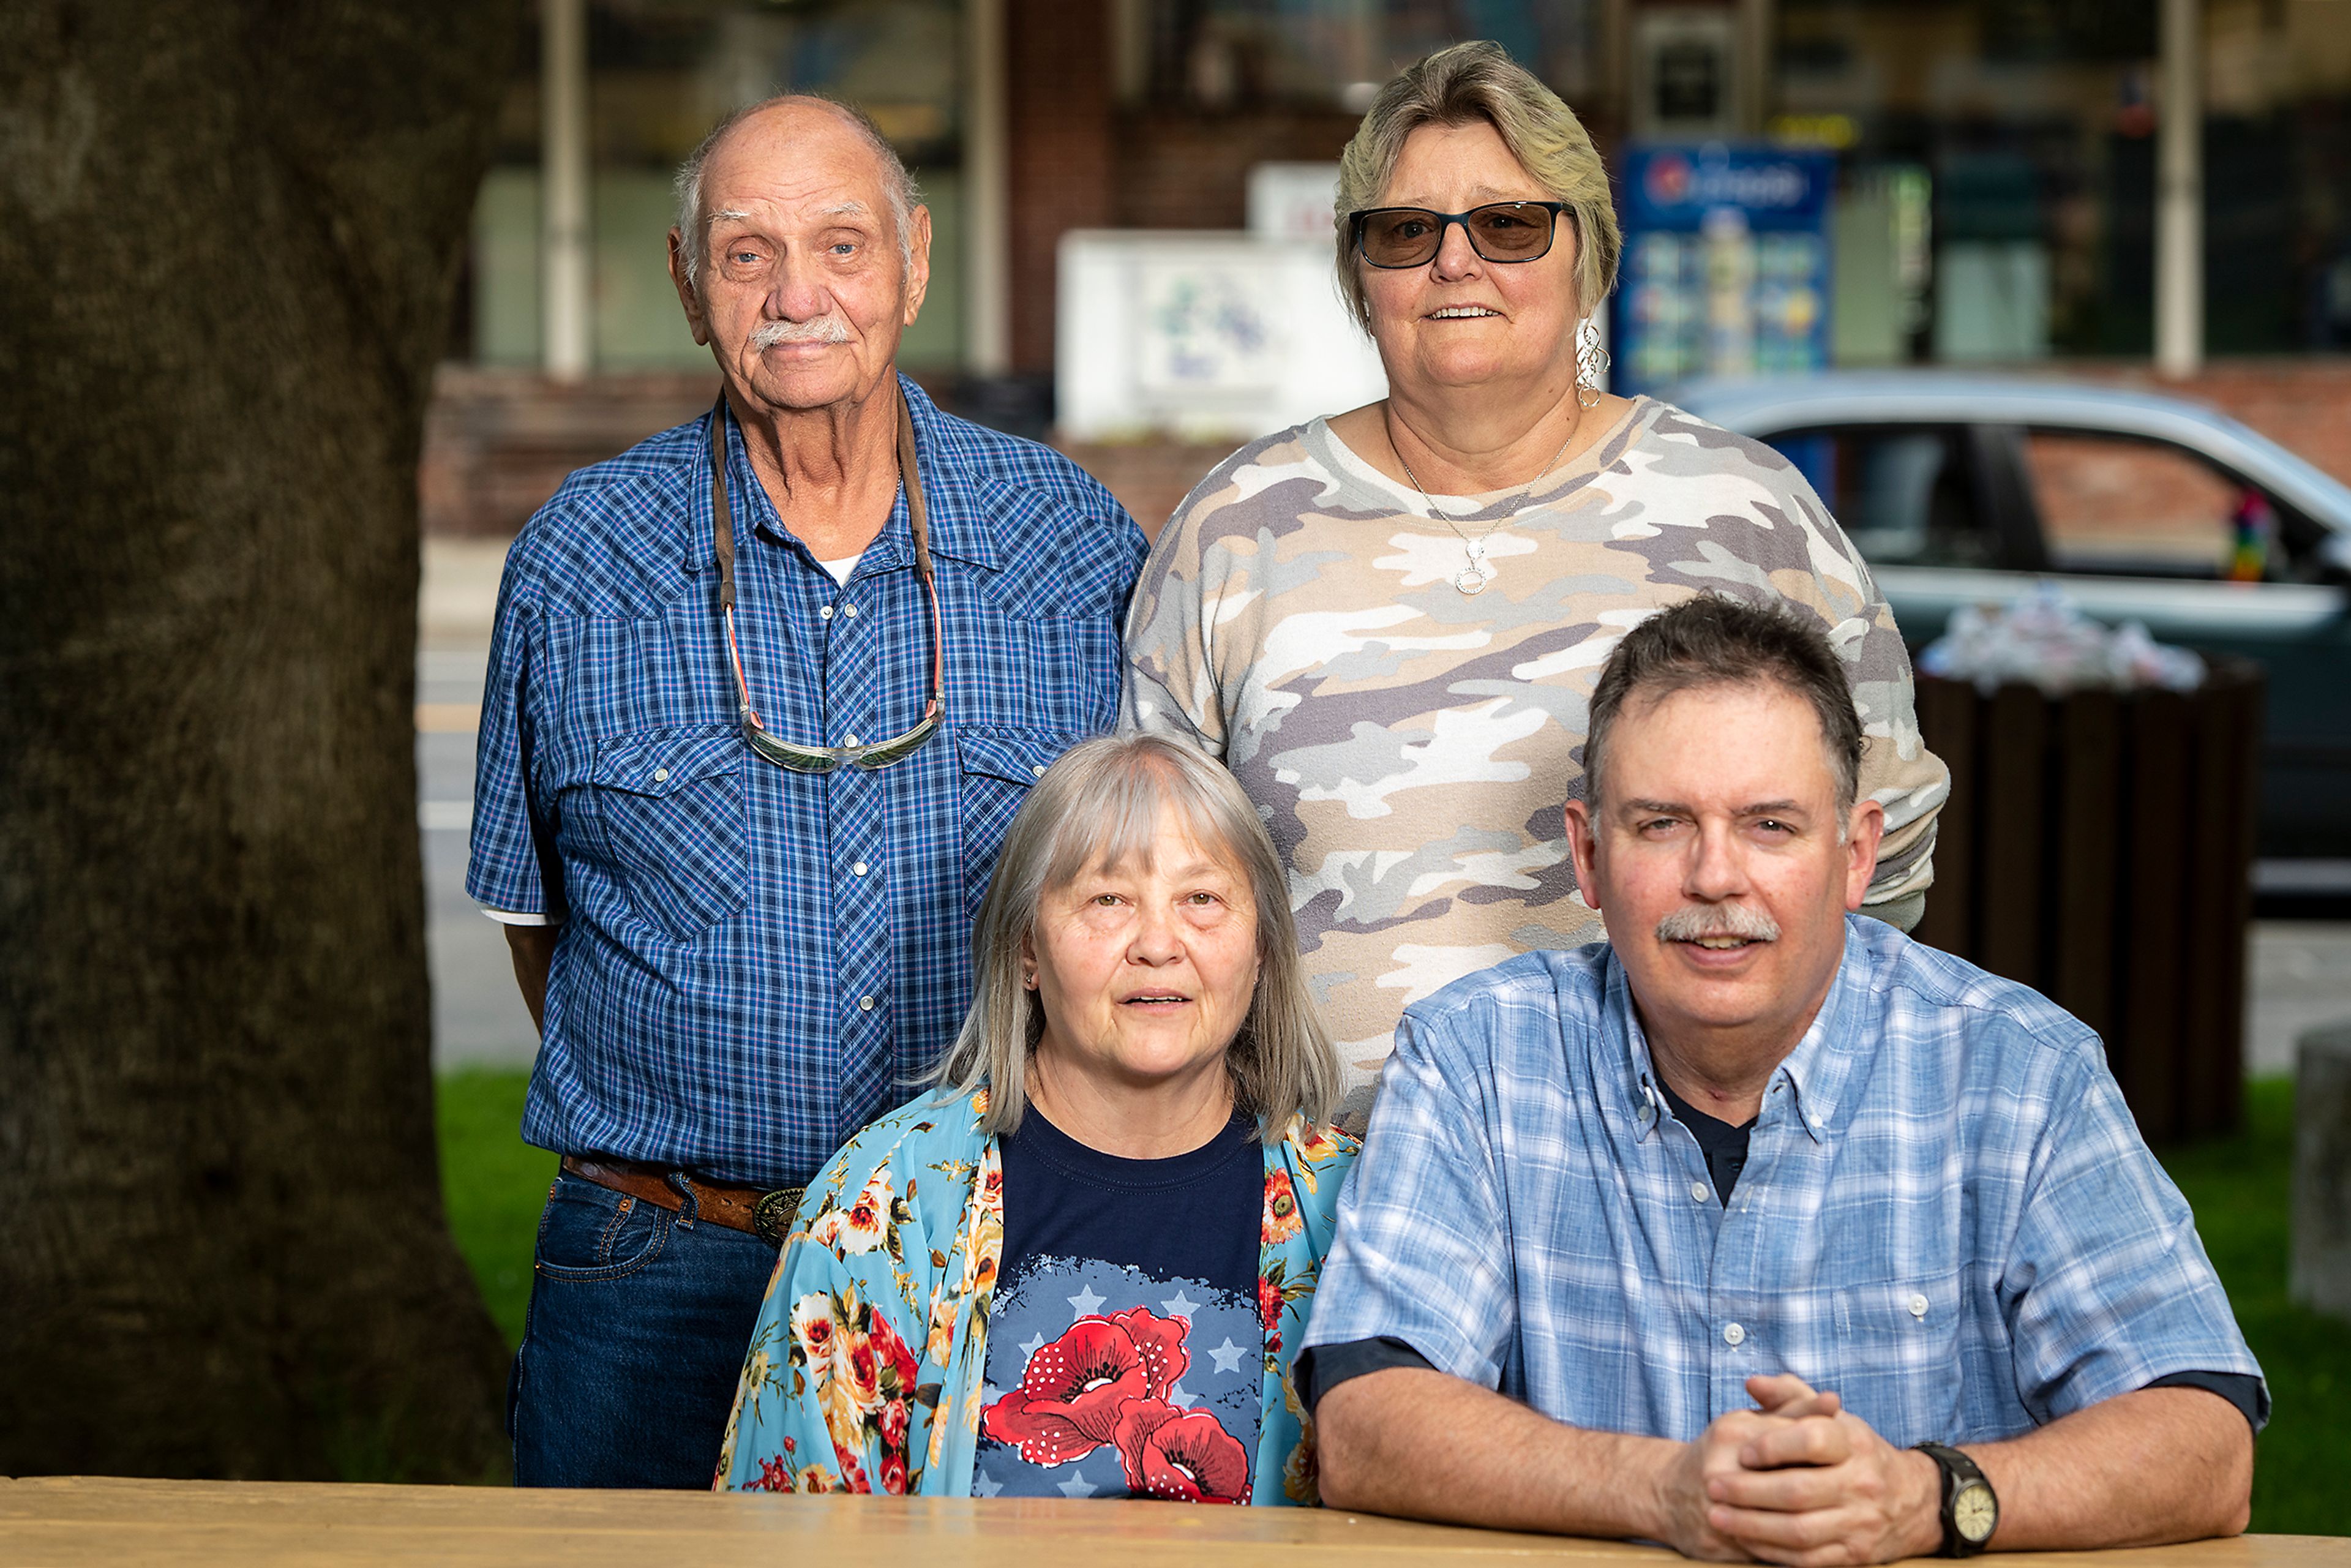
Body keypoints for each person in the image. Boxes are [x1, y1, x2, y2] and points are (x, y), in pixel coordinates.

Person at [466, 96, 1147, 1488]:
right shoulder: (574, 558)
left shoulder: (1073, 544)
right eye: (744, 254)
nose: (796, 296)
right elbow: (535, 915)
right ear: (682, 278)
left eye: (841, 245)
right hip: (653, 1263)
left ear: (914, 259)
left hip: (986, 1238)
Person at [1301, 595, 2265, 1560]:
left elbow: (2204, 1440)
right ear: (1589, 856)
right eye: (1662, 823)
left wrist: (1927, 1497)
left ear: (1855, 855)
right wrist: (1663, 1489)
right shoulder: (1476, 1059)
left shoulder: (2022, 1072)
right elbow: (1364, 1422)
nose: (1716, 877)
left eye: (1769, 824)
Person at [1120, 42, 1947, 1122]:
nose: (1454, 263)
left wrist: (1752, 1107)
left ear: (1590, 259)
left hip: (1660, 1200)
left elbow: (1879, 853)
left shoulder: (1749, 516)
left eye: (1509, 225)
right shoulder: (1237, 531)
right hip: (1317, 1213)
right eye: (1407, 232)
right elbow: (1143, 888)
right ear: (1360, 279)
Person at [714, 733, 1358, 1502]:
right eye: (1107, 899)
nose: (1158, 944)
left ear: (1259, 950)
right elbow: (794, 1538)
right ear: (1026, 945)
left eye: (1202, 898)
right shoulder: (883, 1201)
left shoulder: (1353, 1205)